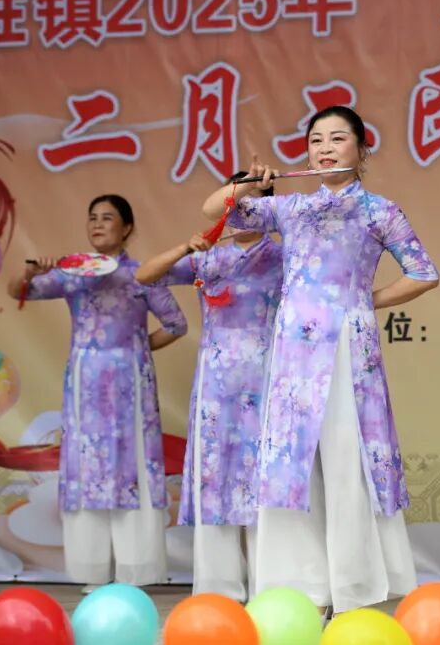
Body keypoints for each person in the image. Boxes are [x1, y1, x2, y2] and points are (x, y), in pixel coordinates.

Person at [201, 106, 439, 615]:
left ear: (361, 149)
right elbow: (214, 209)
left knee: (345, 458)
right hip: (293, 348)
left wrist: (363, 299)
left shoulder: (380, 211)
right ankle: (303, 591)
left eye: (337, 138)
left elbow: (424, 273)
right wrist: (249, 184)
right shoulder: (290, 207)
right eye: (316, 140)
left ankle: (353, 588)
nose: (325, 148)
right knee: (292, 462)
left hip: (346, 344)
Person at [7, 194, 187, 593]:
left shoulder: (142, 274)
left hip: (129, 386)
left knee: (130, 468)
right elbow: (17, 291)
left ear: (127, 228)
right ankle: (93, 569)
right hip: (85, 387)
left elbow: (177, 324)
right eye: (92, 218)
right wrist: (30, 272)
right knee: (89, 469)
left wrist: (136, 348)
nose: (98, 224)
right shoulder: (73, 274)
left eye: (107, 218)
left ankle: (135, 569)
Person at [136, 173, 283, 602]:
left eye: (250, 204)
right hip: (216, 388)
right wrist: (187, 247)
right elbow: (146, 275)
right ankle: (220, 592)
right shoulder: (208, 258)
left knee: (263, 483)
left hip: (266, 380)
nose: (239, 214)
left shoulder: (283, 255)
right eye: (231, 205)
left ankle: (272, 589)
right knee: (217, 481)